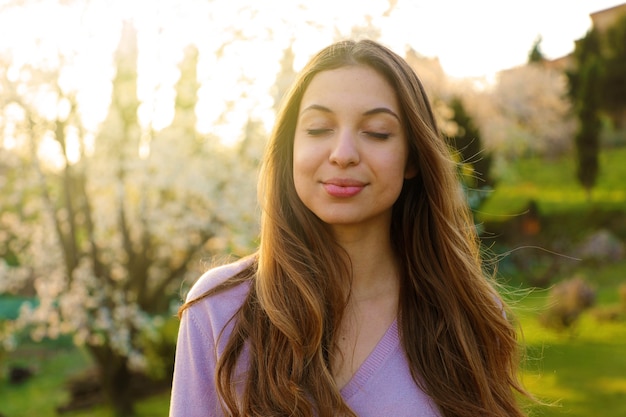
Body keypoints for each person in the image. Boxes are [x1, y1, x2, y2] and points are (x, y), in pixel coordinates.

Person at [169, 39, 530, 417]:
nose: (343, 154)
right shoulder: (218, 310)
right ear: (289, 147)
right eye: (319, 128)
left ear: (412, 157)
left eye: (376, 132)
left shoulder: (469, 316)